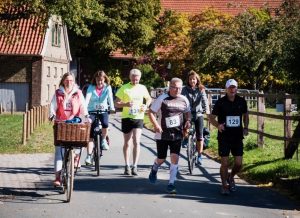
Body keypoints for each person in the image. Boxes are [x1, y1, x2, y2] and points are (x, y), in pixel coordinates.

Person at [148, 78, 191, 194]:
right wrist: (156, 125)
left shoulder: (184, 99)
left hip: (177, 134)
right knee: (161, 158)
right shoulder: (162, 98)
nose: (178, 90)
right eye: (175, 87)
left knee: (175, 158)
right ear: (170, 87)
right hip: (162, 133)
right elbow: (151, 112)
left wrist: (188, 121)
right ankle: (155, 168)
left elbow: (188, 112)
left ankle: (171, 183)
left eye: (180, 88)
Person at [208, 79, 249, 195]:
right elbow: (211, 117)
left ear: (236, 88)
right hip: (224, 136)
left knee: (238, 163)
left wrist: (246, 127)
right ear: (226, 89)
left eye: (234, 87)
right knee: (225, 163)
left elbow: (246, 115)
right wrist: (218, 125)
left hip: (237, 136)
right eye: (230, 87)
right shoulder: (220, 102)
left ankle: (231, 176)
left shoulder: (241, 101)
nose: (232, 89)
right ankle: (224, 185)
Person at [49, 72, 89, 187]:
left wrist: (86, 116)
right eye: (67, 80)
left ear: (74, 82)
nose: (69, 82)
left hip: (74, 123)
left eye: (71, 80)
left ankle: (76, 156)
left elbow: (82, 106)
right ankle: (57, 177)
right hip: (61, 124)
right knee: (59, 152)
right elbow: (52, 106)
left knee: (77, 141)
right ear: (63, 81)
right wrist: (52, 115)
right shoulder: (58, 93)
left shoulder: (78, 93)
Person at [115, 68, 152, 176]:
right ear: (130, 78)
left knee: (136, 140)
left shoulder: (142, 88)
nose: (135, 81)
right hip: (127, 117)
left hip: (138, 117)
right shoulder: (124, 88)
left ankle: (135, 165)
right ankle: (127, 165)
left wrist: (146, 105)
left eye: (137, 80)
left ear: (139, 78)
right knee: (127, 142)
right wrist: (125, 104)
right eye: (133, 79)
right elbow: (116, 103)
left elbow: (149, 98)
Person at [84, 70, 115, 165]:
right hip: (92, 111)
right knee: (90, 133)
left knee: (105, 123)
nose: (99, 82)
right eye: (98, 80)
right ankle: (89, 156)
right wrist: (85, 109)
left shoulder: (107, 87)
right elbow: (87, 98)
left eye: (101, 80)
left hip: (103, 110)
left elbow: (110, 98)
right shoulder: (91, 87)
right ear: (95, 80)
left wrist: (112, 107)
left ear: (104, 79)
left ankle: (104, 140)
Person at [181, 70, 209, 165]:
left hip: (198, 113)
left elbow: (205, 100)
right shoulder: (184, 89)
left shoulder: (201, 89)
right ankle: (185, 139)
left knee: (200, 137)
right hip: (188, 113)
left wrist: (206, 110)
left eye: (194, 79)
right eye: (190, 79)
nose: (192, 81)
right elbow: (181, 99)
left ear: (197, 80)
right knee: (185, 126)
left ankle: (200, 155)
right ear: (188, 80)